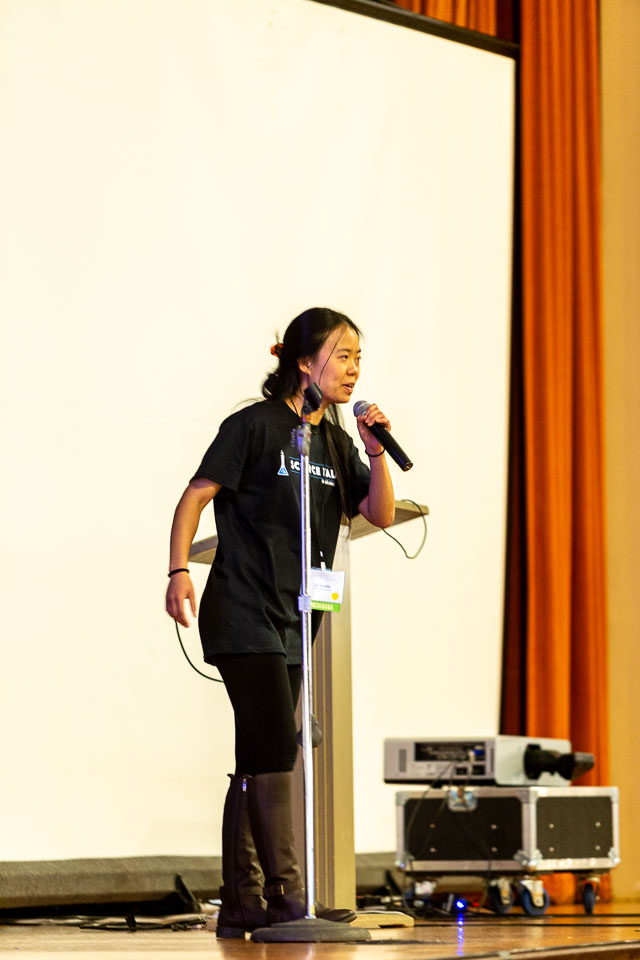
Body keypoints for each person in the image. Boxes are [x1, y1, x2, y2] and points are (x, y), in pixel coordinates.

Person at [165, 307, 395, 936]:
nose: (353, 369)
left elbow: (377, 512)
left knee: (258, 752)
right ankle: (288, 899)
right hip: (243, 608)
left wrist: (375, 452)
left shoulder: (334, 441)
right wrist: (178, 570)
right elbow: (196, 495)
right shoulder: (255, 425)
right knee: (274, 746)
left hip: (297, 618)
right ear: (302, 360)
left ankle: (242, 904)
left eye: (358, 358)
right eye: (341, 355)